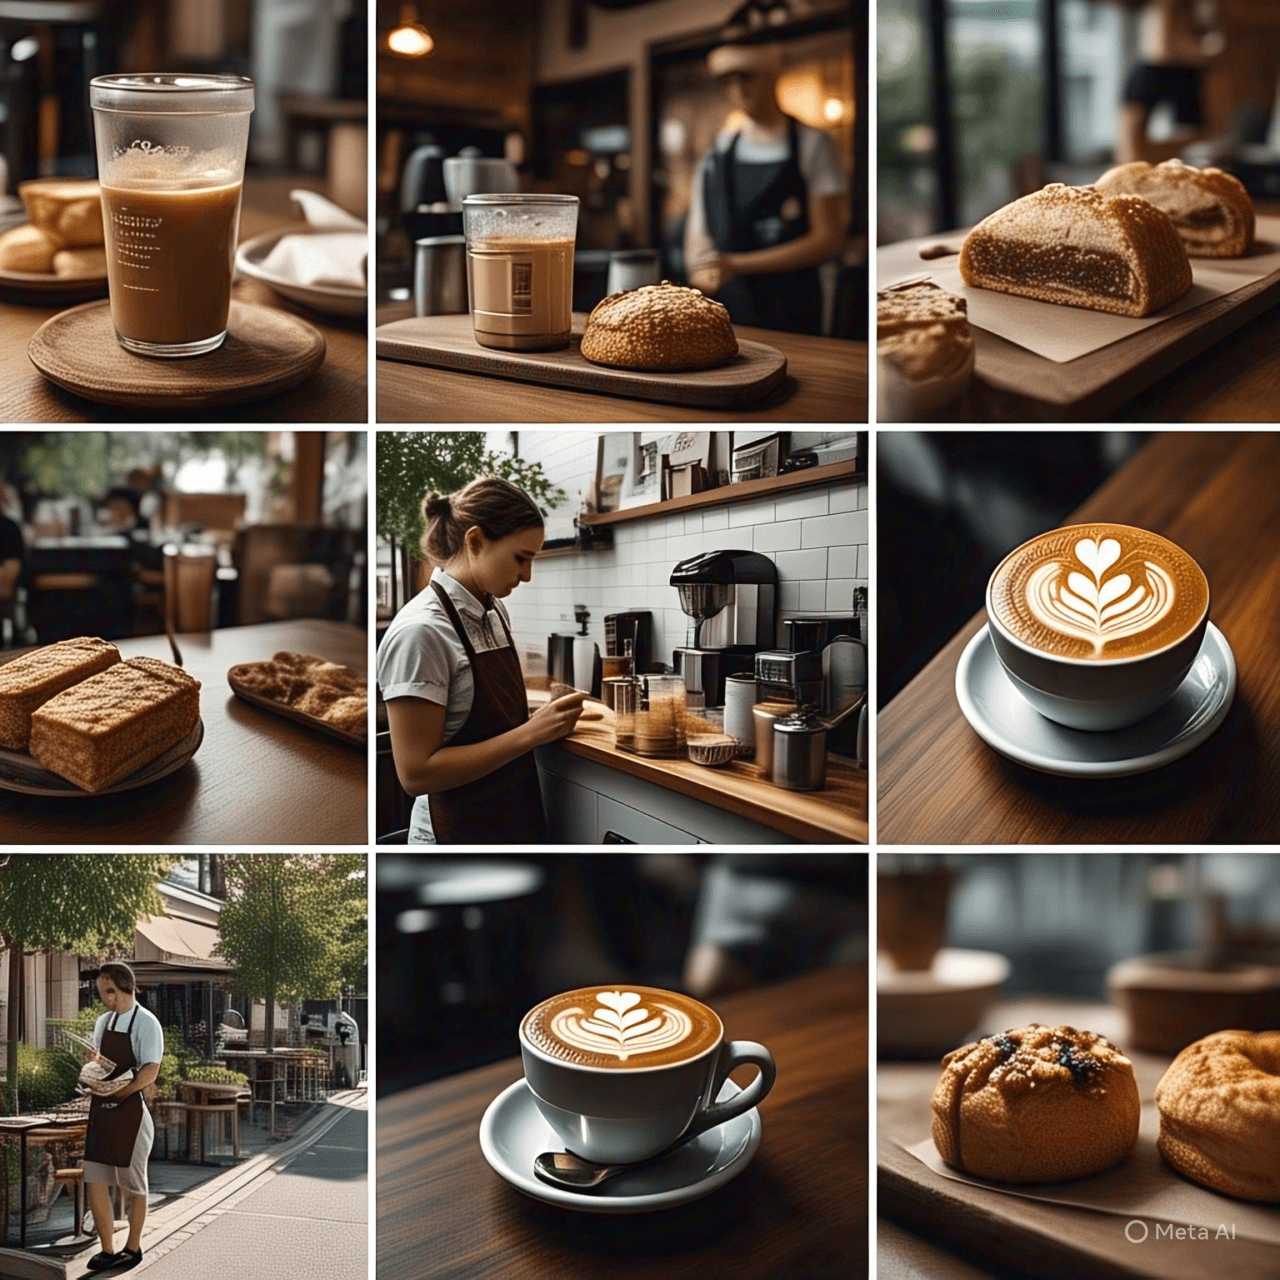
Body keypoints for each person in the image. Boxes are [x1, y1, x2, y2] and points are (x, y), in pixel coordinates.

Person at [378, 476, 587, 844]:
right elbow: (415, 775)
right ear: (475, 541)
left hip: (512, 822)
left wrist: (539, 722)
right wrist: (531, 733)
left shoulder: (494, 611)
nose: (527, 576)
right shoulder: (421, 632)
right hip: (454, 838)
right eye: (521, 558)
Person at [684, 39, 848, 335]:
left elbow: (829, 237)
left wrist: (737, 264)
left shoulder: (814, 144)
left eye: (746, 76)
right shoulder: (716, 153)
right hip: (729, 303)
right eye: (727, 81)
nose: (737, 89)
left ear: (771, 76)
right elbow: (698, 235)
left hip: (794, 303)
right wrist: (702, 274)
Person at [82, 962, 164, 1274]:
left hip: (130, 1113)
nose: (105, 998)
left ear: (127, 987)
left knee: (133, 1185)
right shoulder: (103, 1021)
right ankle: (106, 1249)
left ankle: (132, 1247)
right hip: (101, 1111)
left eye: (110, 992)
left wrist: (120, 1091)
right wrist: (90, 1068)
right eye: (102, 992)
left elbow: (150, 1071)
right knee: (96, 1180)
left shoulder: (147, 1023)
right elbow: (100, 1062)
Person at [1116, 0, 1225, 163]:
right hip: (1150, 66)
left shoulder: (1203, 6)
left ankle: (1154, 165)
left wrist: (1199, 48)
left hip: (1185, 70)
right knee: (1128, 144)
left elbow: (1216, 42)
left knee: (1194, 140)